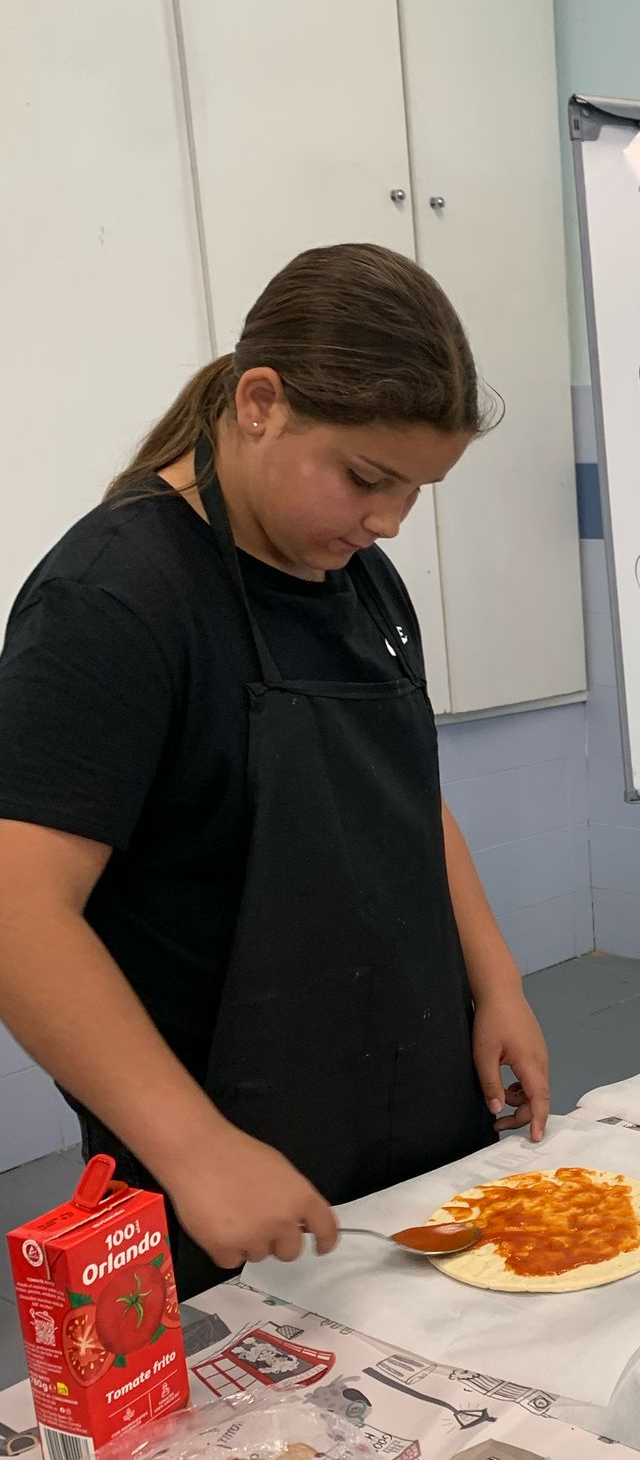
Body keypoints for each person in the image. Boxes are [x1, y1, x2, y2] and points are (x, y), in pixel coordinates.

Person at [0, 243, 550, 1291]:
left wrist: (497, 981)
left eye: (416, 491)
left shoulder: (357, 576)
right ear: (260, 404)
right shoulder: (115, 601)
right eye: (366, 479)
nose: (388, 522)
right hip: (224, 1155)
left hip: (410, 1109)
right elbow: (17, 910)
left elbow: (408, 795)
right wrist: (195, 1147)